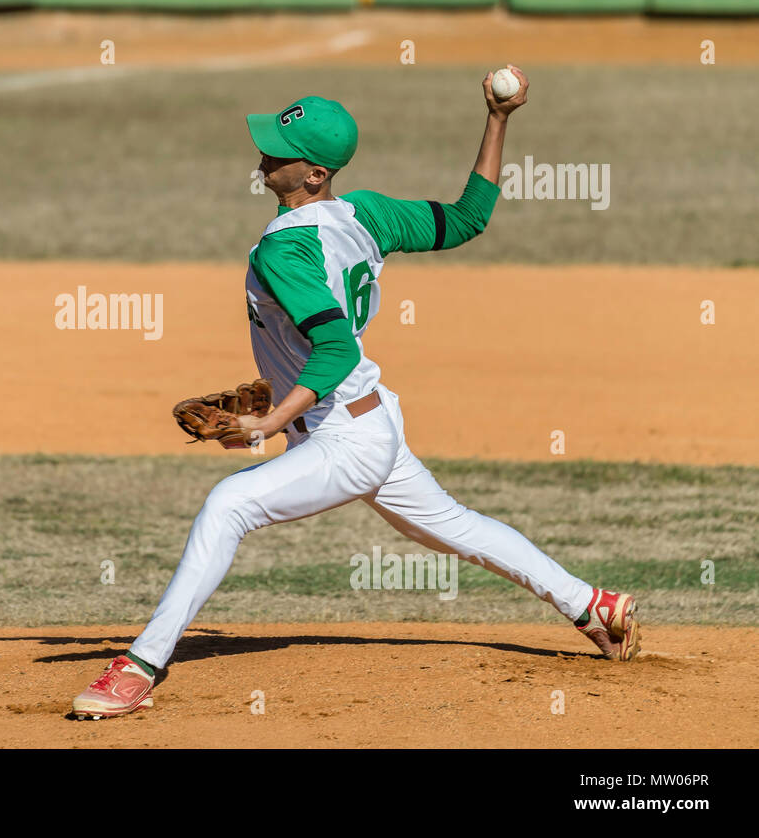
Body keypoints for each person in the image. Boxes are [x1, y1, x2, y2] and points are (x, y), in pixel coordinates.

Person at [71, 66, 640, 720]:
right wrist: (500, 119)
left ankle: (140, 666)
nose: (263, 157)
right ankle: (595, 606)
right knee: (456, 528)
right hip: (368, 418)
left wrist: (266, 425)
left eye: (279, 154)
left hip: (344, 435)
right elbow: (466, 219)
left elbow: (335, 349)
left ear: (313, 174)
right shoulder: (363, 213)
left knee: (228, 504)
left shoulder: (281, 253)